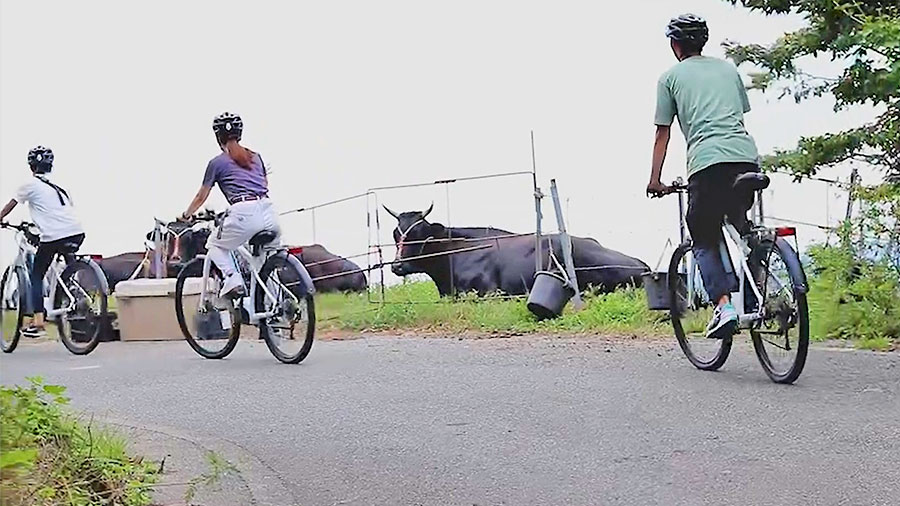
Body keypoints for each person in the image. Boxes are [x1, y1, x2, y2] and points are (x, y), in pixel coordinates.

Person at [646, 14, 762, 339]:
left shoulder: (669, 78)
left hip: (708, 165)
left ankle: (724, 307)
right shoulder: (728, 70)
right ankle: (759, 295)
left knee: (702, 234)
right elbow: (738, 115)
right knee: (743, 229)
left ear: (674, 44)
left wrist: (655, 181)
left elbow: (662, 134)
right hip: (746, 159)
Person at [179, 112, 280, 298]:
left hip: (244, 213)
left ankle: (232, 278)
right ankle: (275, 308)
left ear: (218, 136)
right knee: (265, 264)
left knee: (215, 245)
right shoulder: (256, 157)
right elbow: (264, 185)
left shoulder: (217, 163)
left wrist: (186, 215)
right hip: (269, 212)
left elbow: (201, 196)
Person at [0, 146, 85, 338]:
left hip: (54, 235)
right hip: (76, 231)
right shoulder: (61, 186)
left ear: (31, 166)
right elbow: (58, 212)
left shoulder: (29, 184)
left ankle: (38, 322)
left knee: (37, 274)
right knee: (65, 265)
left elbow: (11, 204)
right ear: (50, 166)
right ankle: (75, 297)